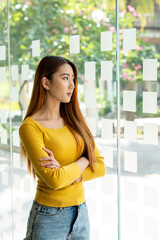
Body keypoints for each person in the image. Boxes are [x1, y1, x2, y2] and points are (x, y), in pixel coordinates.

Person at [19, 55, 106, 240]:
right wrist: (83, 161)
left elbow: (100, 167)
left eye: (73, 79)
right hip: (49, 217)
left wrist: (69, 173)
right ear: (46, 82)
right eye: (65, 78)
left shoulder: (75, 121)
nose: (72, 86)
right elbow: (55, 180)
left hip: (81, 213)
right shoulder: (30, 127)